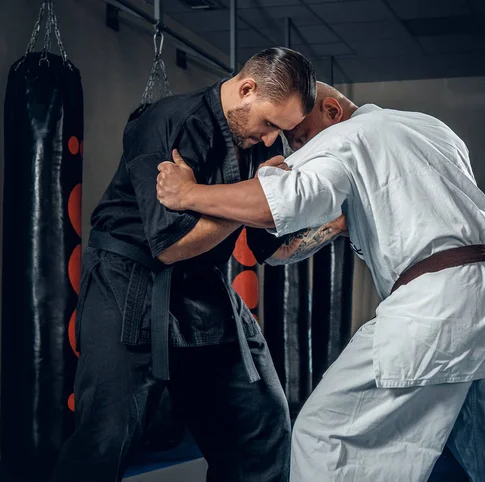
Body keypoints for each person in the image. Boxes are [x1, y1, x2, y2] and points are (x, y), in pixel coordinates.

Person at [155, 82, 485, 481]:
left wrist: (188, 192)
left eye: (300, 136)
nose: (297, 150)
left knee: (323, 435)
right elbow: (398, 215)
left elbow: (275, 207)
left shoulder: (346, 136)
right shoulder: (429, 128)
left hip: (434, 304)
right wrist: (338, 225)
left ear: (332, 112)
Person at [50, 47, 316, 482]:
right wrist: (252, 198)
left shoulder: (253, 145)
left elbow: (270, 247)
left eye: (280, 131)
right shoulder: (170, 121)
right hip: (128, 281)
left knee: (261, 421)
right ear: (246, 89)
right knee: (106, 434)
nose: (272, 139)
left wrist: (330, 226)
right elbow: (170, 243)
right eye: (269, 123)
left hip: (202, 283)